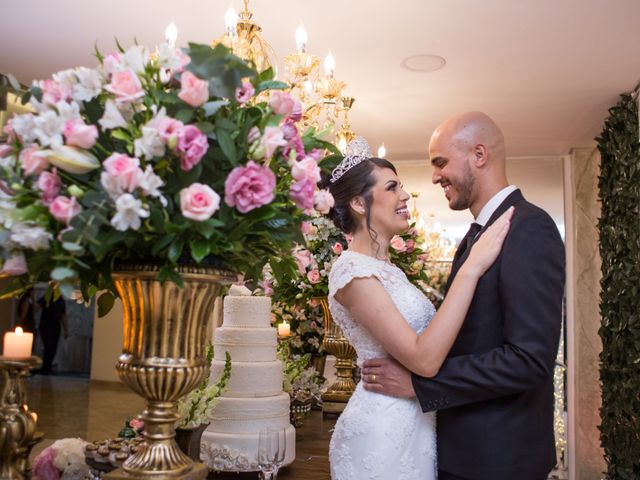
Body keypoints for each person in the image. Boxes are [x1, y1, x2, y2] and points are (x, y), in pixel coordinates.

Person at [361, 112, 565, 479]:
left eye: (441, 163)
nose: (435, 175)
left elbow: (529, 360)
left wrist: (421, 385)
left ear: (480, 155)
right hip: (463, 451)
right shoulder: (475, 237)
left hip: (498, 459)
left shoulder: (530, 228)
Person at [322, 137, 514, 480]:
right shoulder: (351, 270)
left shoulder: (391, 271)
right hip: (380, 435)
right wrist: (470, 269)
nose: (406, 196)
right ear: (358, 203)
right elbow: (423, 358)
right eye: (393, 187)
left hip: (416, 426)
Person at [38, 294, 68, 374]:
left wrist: (66, 329)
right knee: (48, 345)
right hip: (46, 325)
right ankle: (45, 367)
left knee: (53, 347)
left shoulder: (61, 300)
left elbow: (63, 315)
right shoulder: (47, 296)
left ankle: (47, 367)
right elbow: (37, 306)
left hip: (56, 326)